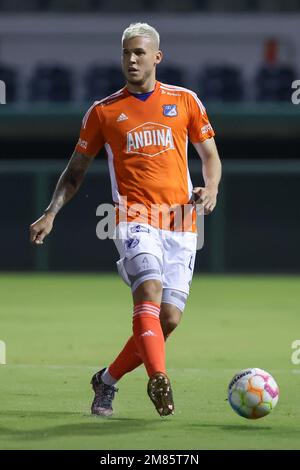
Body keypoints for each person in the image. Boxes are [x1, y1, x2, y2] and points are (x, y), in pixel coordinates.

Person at [30, 22, 222, 418]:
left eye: (139, 52)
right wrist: (51, 212)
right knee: (148, 291)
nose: (132, 59)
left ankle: (107, 380)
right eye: (125, 53)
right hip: (134, 217)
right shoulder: (103, 111)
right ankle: (159, 379)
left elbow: (210, 157)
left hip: (183, 221)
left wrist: (211, 188)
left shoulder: (185, 101)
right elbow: (75, 171)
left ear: (157, 57)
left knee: (167, 319)